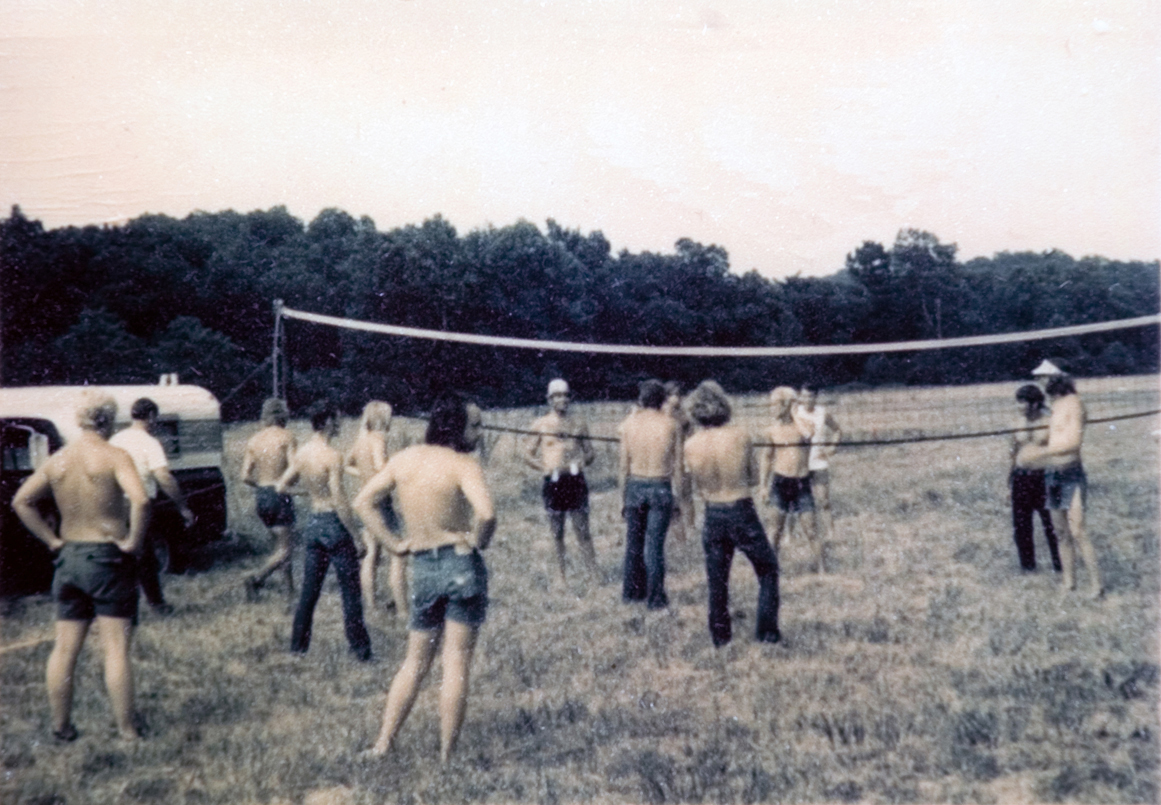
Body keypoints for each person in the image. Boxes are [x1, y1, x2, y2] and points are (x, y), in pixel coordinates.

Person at [354, 393, 494, 762]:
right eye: (474, 425)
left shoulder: (404, 460)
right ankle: (447, 756)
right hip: (460, 564)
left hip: (422, 567)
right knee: (456, 663)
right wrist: (477, 542)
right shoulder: (464, 464)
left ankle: (383, 743)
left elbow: (362, 502)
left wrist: (393, 544)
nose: (479, 432)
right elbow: (487, 514)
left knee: (414, 662)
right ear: (455, 426)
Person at [11, 393, 150, 742]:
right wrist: (133, 540)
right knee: (115, 647)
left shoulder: (58, 460)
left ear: (79, 420)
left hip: (69, 556)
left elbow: (21, 501)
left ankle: (61, 727)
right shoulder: (115, 456)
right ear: (109, 420)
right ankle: (127, 730)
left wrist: (51, 540)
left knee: (64, 648)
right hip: (106, 556)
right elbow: (142, 499)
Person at [683, 381, 780, 647]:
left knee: (717, 581)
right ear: (724, 406)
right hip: (740, 508)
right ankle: (767, 634)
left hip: (712, 512)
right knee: (768, 568)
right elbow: (751, 477)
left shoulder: (690, 445)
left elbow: (692, 486)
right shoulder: (741, 435)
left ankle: (720, 639)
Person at [277, 404, 372, 660]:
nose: (340, 424)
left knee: (309, 591)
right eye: (336, 419)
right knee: (350, 591)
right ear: (327, 421)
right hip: (333, 523)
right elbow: (339, 498)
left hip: (314, 524)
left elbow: (282, 486)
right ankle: (361, 650)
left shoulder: (303, 453)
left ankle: (297, 648)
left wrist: (307, 493)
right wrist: (355, 534)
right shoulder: (332, 456)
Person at [1016, 375, 1102, 598]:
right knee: (1061, 533)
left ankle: (1096, 587)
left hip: (1071, 474)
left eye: (1045, 375)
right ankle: (1068, 582)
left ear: (1058, 376)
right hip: (1053, 475)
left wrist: (1039, 453)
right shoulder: (1055, 405)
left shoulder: (1074, 403)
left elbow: (1072, 442)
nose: (1041, 380)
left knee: (1078, 531)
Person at [109, 397, 195, 615]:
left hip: (114, 502)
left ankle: (118, 603)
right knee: (144, 555)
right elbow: (164, 477)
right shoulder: (149, 443)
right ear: (151, 416)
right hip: (139, 504)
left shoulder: (116, 439)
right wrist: (183, 507)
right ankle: (157, 604)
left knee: (121, 554)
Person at [617, 379, 689, 610]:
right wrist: (678, 496)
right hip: (660, 484)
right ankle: (656, 598)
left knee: (633, 544)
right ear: (663, 400)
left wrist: (622, 498)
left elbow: (623, 466)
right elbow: (677, 466)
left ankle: (631, 593)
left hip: (636, 484)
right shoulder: (671, 425)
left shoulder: (628, 425)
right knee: (654, 546)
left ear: (641, 400)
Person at [523, 378, 598, 581]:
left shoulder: (579, 423)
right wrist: (543, 467)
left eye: (565, 395)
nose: (562, 399)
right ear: (550, 399)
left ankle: (593, 574)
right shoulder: (541, 424)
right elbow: (527, 453)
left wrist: (583, 461)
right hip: (553, 481)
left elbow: (590, 453)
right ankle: (561, 576)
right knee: (557, 533)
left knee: (583, 531)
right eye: (557, 396)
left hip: (575, 480)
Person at [345, 401, 407, 618]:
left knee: (370, 556)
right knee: (398, 555)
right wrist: (397, 472)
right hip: (381, 503)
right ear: (383, 418)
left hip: (365, 500)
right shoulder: (379, 438)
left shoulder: (361, 441)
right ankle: (402, 610)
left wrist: (364, 475)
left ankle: (371, 607)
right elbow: (382, 466)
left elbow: (348, 464)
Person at [241, 398, 298, 602]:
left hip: (262, 496)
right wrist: (287, 483)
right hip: (279, 494)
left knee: (279, 546)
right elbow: (294, 468)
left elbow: (245, 475)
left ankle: (289, 591)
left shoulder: (254, 440)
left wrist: (262, 486)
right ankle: (256, 578)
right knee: (286, 549)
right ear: (282, 415)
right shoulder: (287, 436)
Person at [760, 387, 822, 572]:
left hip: (801, 483)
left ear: (786, 405)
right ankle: (771, 571)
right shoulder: (772, 430)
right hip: (780, 483)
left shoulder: (804, 424)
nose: (771, 408)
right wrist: (763, 485)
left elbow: (807, 434)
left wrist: (794, 412)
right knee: (775, 532)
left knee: (811, 531)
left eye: (775, 404)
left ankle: (822, 570)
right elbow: (767, 457)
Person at [1009, 384, 1061, 573]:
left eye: (1023, 402)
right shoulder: (1017, 422)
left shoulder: (1050, 421)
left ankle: (1060, 565)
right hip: (1021, 478)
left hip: (1045, 478)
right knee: (1021, 526)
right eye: (1018, 402)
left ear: (1036, 403)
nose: (1019, 406)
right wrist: (1008, 484)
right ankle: (1028, 567)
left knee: (1052, 525)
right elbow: (1012, 453)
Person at [793, 385, 842, 543]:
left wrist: (832, 448)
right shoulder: (794, 412)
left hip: (818, 463)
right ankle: (789, 536)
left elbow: (837, 430)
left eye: (811, 396)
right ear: (800, 397)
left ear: (816, 397)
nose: (808, 400)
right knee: (794, 502)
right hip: (799, 464)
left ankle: (831, 533)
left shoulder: (822, 413)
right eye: (805, 396)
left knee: (823, 501)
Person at [662, 381, 695, 543]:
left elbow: (691, 434)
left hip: (685, 457)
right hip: (668, 458)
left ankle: (691, 528)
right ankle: (676, 531)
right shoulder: (664, 413)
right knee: (673, 495)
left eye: (679, 394)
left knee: (686, 494)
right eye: (674, 394)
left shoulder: (683, 414)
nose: (678, 397)